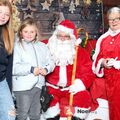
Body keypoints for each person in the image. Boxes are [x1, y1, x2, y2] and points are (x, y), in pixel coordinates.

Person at [41, 19, 95, 120]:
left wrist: (79, 84)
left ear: (72, 38)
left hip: (71, 89)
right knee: (48, 104)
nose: (62, 39)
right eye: (59, 36)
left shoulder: (81, 53)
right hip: (51, 88)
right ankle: (52, 117)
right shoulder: (47, 48)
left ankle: (75, 117)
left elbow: (89, 73)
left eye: (66, 36)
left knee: (84, 97)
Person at [12, 17, 55, 120]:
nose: (29, 34)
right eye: (26, 31)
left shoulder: (42, 46)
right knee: (22, 113)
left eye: (32, 31)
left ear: (36, 33)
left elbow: (51, 61)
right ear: (21, 32)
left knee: (36, 114)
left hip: (38, 86)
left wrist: (47, 69)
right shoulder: (17, 46)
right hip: (22, 87)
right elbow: (14, 67)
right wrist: (31, 69)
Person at [92, 7, 120, 120]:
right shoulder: (103, 39)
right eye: (111, 19)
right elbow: (96, 60)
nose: (114, 22)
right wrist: (102, 62)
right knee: (115, 111)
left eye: (117, 18)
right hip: (112, 84)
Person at [0, 0, 16, 120]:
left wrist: (9, 90)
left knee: (10, 115)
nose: (3, 16)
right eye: (0, 12)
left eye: (6, 14)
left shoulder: (8, 35)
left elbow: (9, 66)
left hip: (2, 81)